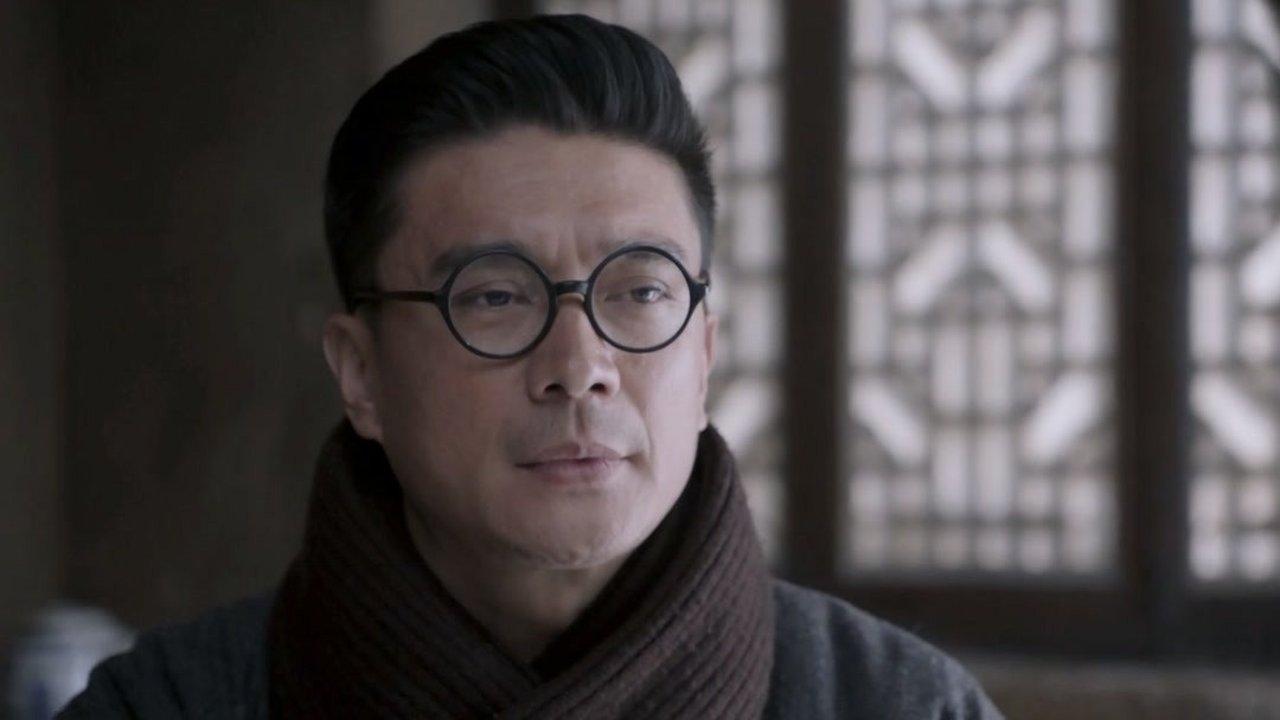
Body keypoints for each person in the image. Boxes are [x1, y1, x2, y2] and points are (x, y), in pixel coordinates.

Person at [59, 14, 1002, 719]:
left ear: (705, 351)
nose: (580, 367)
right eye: (495, 297)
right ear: (361, 375)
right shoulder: (166, 705)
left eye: (640, 290)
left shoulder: (901, 705)